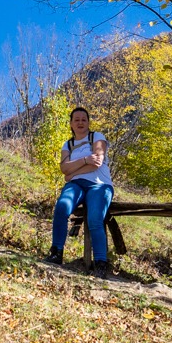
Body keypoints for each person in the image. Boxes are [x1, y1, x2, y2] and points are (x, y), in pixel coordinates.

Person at [48, 106, 114, 276]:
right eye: (76, 120)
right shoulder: (68, 144)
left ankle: (100, 262)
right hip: (76, 185)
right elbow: (64, 168)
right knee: (62, 207)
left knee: (95, 218)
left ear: (88, 122)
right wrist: (85, 160)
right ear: (71, 123)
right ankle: (56, 252)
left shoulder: (96, 137)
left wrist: (73, 171)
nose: (80, 123)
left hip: (99, 184)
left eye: (84, 119)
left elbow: (97, 162)